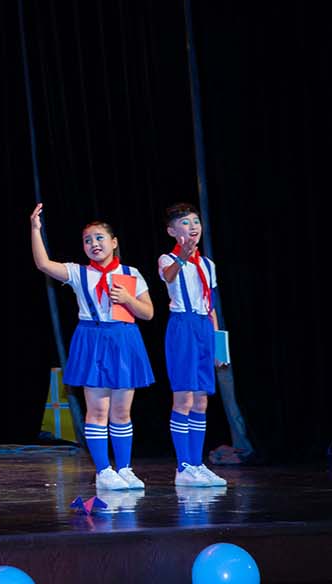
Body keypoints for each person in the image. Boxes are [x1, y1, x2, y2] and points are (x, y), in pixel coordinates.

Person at [30, 203, 155, 491]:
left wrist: (128, 299)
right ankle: (103, 471)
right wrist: (36, 230)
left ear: (114, 242)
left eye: (99, 238)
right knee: (98, 410)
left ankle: (124, 468)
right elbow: (44, 264)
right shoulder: (79, 273)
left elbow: (148, 313)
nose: (94, 244)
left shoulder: (131, 273)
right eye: (87, 240)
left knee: (121, 412)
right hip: (93, 339)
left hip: (124, 339)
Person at [158, 203, 230, 487]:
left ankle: (197, 464)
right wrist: (183, 257)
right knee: (184, 399)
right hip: (183, 327)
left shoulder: (208, 264)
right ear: (172, 231)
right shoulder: (167, 259)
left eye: (195, 221)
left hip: (203, 328)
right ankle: (183, 466)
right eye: (185, 223)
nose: (193, 227)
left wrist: (218, 347)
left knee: (201, 400)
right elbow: (168, 276)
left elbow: (211, 306)